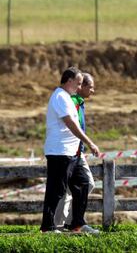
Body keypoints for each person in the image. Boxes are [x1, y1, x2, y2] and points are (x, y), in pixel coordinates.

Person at [40, 67, 100, 233]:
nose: (80, 87)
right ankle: (48, 227)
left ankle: (77, 224)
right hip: (60, 151)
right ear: (69, 81)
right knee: (56, 189)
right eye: (78, 83)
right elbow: (71, 124)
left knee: (83, 183)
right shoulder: (60, 96)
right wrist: (89, 142)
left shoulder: (67, 97)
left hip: (72, 152)